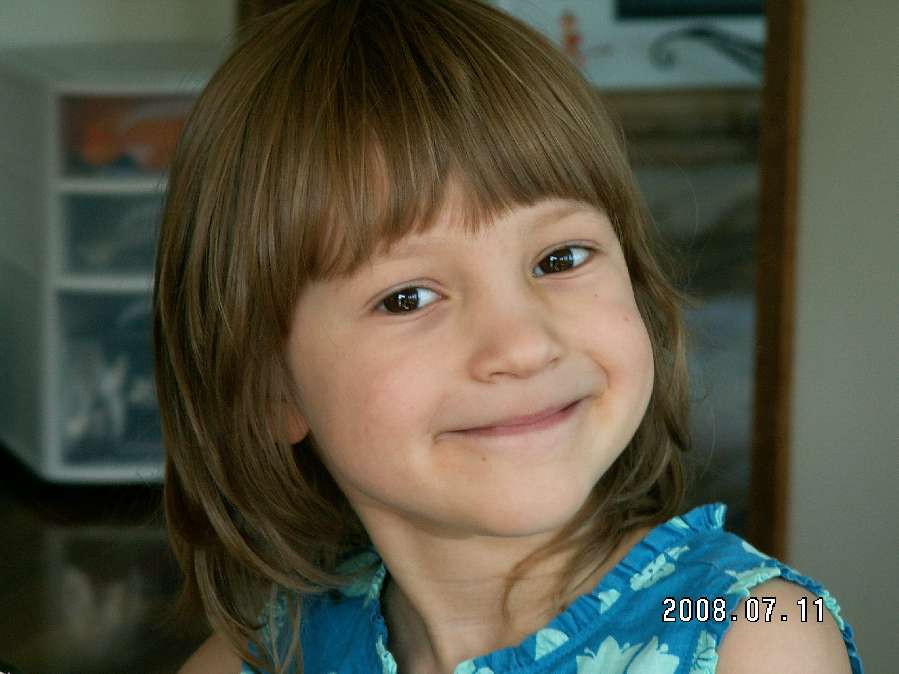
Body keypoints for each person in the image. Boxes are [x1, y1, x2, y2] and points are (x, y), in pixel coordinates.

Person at [153, 1, 865, 673]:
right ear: (268, 388)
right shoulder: (267, 655)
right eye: (407, 298)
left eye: (560, 259)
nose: (523, 347)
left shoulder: (754, 629)